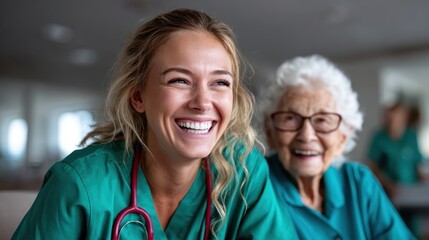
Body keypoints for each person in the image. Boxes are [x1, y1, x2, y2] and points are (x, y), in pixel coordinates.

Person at [12, 8, 297, 239]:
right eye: (179, 80)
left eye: (220, 83)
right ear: (138, 97)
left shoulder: (244, 171)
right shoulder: (79, 185)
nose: (203, 102)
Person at [259, 55, 415, 239]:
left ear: (343, 137)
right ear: (270, 133)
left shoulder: (358, 183)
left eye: (323, 120)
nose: (306, 135)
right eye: (290, 118)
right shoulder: (256, 187)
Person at [367, 100, 425, 238]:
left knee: (411, 229)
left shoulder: (411, 136)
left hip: (409, 194)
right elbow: (372, 166)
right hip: (387, 192)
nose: (392, 120)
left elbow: (417, 162)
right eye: (389, 116)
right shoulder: (379, 137)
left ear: (403, 118)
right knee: (388, 228)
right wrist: (388, 184)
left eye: (396, 116)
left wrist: (422, 176)